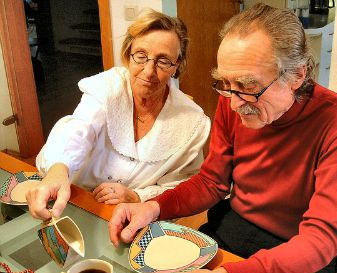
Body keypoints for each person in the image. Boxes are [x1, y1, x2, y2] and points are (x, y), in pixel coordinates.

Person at [108, 4, 337, 273]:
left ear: (297, 74)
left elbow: (321, 238)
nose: (232, 104)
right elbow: (211, 182)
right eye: (226, 84)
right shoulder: (235, 98)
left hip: (298, 250)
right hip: (234, 225)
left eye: (248, 85)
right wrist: (154, 207)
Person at [27, 9, 210, 220]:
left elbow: (184, 184)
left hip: (133, 217)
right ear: (128, 54)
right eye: (141, 56)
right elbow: (79, 128)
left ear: (177, 66)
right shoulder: (108, 86)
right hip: (73, 198)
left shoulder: (192, 121)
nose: (148, 71)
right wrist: (58, 169)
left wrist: (136, 196)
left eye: (163, 61)